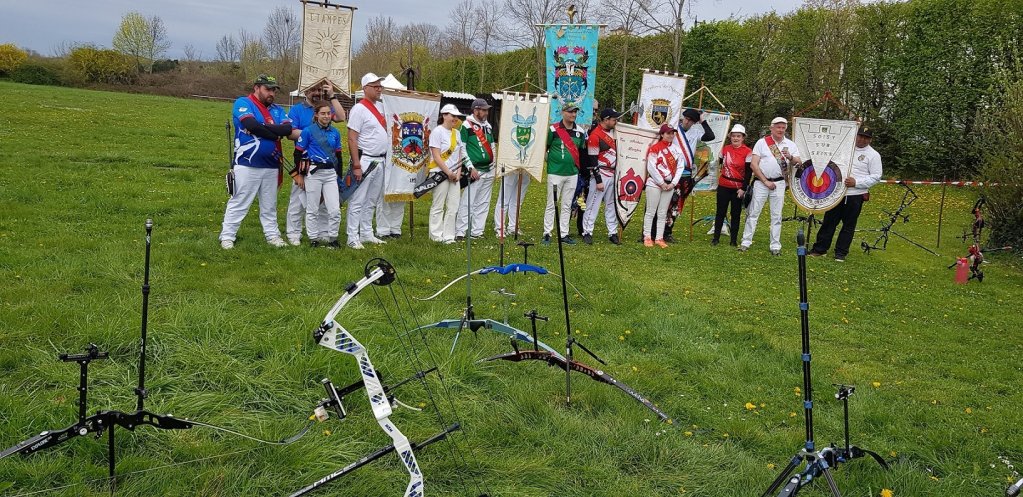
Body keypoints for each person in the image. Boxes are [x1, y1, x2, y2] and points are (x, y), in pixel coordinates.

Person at [219, 74, 293, 249]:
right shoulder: (243, 103)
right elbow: (252, 125)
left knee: (270, 205)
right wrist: (275, 132)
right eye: (268, 89)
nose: (271, 93)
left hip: (271, 163)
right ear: (256, 88)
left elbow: (287, 128)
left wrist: (264, 128)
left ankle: (272, 235)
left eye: (274, 90)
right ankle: (227, 236)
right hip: (247, 163)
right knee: (239, 201)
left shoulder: (277, 109)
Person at [285, 79, 346, 246]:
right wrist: (311, 134)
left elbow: (341, 117)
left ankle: (325, 233)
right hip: (306, 165)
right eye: (313, 90)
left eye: (320, 89)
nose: (317, 93)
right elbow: (290, 133)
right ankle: (294, 233)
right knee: (298, 202)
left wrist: (332, 95)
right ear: (306, 91)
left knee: (327, 205)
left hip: (328, 167)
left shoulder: (327, 108)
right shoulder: (297, 110)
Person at [809, 126, 882, 261]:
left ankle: (841, 253)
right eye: (860, 136)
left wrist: (857, 182)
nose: (862, 139)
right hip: (836, 192)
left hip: (855, 194)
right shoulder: (844, 149)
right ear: (856, 136)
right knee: (829, 221)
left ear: (870, 140)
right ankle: (820, 249)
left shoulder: (873, 155)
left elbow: (876, 176)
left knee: (848, 225)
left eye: (866, 138)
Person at [740, 117, 802, 255]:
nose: (781, 130)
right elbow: (753, 164)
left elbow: (798, 162)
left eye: (783, 127)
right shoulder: (762, 143)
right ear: (771, 128)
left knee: (777, 215)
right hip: (761, 182)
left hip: (779, 182)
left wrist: (790, 157)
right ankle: (746, 241)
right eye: (778, 127)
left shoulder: (790, 144)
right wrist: (765, 181)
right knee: (753, 213)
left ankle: (775, 246)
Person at [345, 73, 390, 250]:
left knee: (372, 199)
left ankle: (366, 232)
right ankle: (352, 236)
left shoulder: (382, 107)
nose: (379, 89)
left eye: (380, 85)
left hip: (380, 159)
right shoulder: (359, 109)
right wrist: (356, 164)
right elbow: (352, 138)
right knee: (358, 200)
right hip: (364, 160)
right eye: (375, 86)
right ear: (365, 88)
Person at [293, 102, 343, 248]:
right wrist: (300, 176)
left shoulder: (335, 132)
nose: (326, 116)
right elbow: (297, 153)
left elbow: (338, 157)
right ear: (316, 115)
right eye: (323, 113)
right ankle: (313, 238)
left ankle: (333, 238)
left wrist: (339, 176)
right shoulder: (308, 131)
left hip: (330, 174)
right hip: (313, 173)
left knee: (334, 209)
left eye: (328, 113)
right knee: (312, 208)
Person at [662, 108, 715, 242]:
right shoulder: (673, 130)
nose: (687, 122)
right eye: (686, 118)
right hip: (669, 171)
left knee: (676, 203)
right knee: (663, 201)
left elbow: (710, 136)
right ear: (682, 117)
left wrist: (702, 120)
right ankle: (652, 231)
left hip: (685, 174)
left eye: (691, 121)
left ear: (694, 122)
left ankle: (667, 232)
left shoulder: (695, 132)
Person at [542, 102, 588, 245]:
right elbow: (546, 146)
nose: (573, 115)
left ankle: (564, 233)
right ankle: (547, 233)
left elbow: (581, 150)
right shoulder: (553, 130)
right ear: (563, 112)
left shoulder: (580, 131)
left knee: (567, 204)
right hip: (555, 172)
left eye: (575, 112)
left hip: (572, 173)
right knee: (551, 203)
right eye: (570, 112)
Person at [455, 98, 497, 240]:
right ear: (476, 110)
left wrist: (494, 165)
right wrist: (470, 167)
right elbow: (462, 148)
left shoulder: (488, 126)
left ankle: (477, 231)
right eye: (483, 110)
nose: (486, 112)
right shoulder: (466, 125)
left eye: (486, 110)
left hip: (489, 169)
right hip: (474, 169)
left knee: (484, 202)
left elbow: (492, 146)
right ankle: (460, 231)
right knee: (468, 201)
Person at [581, 108, 622, 245]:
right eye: (614, 119)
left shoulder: (616, 133)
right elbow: (592, 159)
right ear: (606, 120)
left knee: (611, 205)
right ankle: (587, 231)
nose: (616, 121)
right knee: (593, 204)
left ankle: (612, 232)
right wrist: (598, 179)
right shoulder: (595, 135)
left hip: (613, 173)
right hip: (601, 173)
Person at [427, 104, 466, 243]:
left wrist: (458, 172)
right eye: (452, 116)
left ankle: (449, 235)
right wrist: (448, 172)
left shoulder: (457, 133)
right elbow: (436, 156)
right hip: (439, 173)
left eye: (456, 116)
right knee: (438, 205)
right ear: (444, 115)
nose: (455, 118)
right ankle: (436, 235)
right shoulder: (437, 132)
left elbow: (460, 155)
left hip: (455, 175)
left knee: (453, 205)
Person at [712, 124, 753, 246]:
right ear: (730, 137)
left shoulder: (748, 152)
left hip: (737, 188)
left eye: (738, 136)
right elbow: (717, 163)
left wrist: (743, 188)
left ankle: (733, 240)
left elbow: (748, 173)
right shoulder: (725, 149)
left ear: (743, 137)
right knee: (720, 212)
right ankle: (716, 238)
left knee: (735, 214)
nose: (736, 138)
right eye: (734, 136)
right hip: (724, 185)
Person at [643, 124, 682, 248]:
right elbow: (651, 167)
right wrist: (661, 182)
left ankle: (659, 237)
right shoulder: (655, 148)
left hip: (670, 185)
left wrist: (673, 183)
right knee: (650, 211)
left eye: (672, 133)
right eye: (668, 133)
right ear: (662, 134)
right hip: (655, 183)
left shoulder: (677, 149)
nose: (670, 135)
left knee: (663, 212)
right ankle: (647, 236)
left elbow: (680, 167)